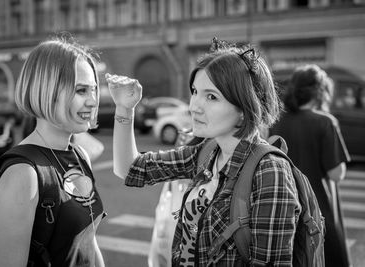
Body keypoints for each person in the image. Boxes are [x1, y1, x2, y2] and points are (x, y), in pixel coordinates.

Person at [107, 38, 301, 266]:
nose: (193, 106)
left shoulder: (269, 171)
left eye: (211, 97)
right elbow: (131, 169)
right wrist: (124, 108)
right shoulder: (207, 152)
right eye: (195, 92)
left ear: (244, 108)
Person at [0, 36, 106, 266]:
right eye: (81, 90)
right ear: (48, 91)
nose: (93, 101)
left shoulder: (80, 156)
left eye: (94, 90)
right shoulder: (22, 173)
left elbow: (88, 244)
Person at [269, 64, 351, 267]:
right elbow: (336, 174)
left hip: (287, 208)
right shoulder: (325, 122)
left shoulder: (278, 121)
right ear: (321, 91)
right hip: (319, 211)